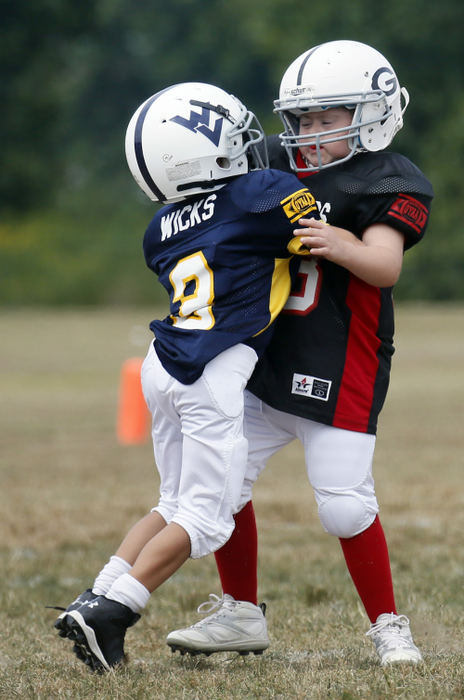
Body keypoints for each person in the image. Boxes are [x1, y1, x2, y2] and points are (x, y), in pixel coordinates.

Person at [165, 41, 434, 666]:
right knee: (220, 488)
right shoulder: (277, 182)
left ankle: (390, 625)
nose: (310, 133)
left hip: (341, 365)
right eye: (303, 120)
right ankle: (239, 614)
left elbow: (385, 267)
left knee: (344, 506)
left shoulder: (386, 177)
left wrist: (340, 244)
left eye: (327, 118)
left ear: (375, 112)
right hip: (265, 365)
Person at [51, 81, 322, 672]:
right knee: (203, 518)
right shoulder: (262, 193)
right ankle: (113, 611)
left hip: (162, 363)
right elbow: (316, 230)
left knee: (172, 501)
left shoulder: (160, 229)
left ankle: (95, 593)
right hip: (213, 370)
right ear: (204, 153)